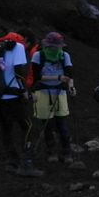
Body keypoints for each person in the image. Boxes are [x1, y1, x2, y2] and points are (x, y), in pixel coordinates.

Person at [0, 31, 42, 177]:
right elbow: (19, 71)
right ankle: (27, 164)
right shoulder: (18, 47)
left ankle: (12, 162)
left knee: (6, 128)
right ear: (24, 39)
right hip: (14, 96)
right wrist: (25, 90)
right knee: (27, 127)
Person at [31, 32, 75, 163]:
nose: (56, 49)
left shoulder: (64, 56)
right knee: (47, 124)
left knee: (62, 123)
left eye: (58, 46)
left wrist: (71, 86)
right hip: (43, 91)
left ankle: (67, 152)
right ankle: (51, 152)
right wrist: (57, 77)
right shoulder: (38, 56)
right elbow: (37, 76)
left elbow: (69, 74)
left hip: (59, 92)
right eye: (53, 46)